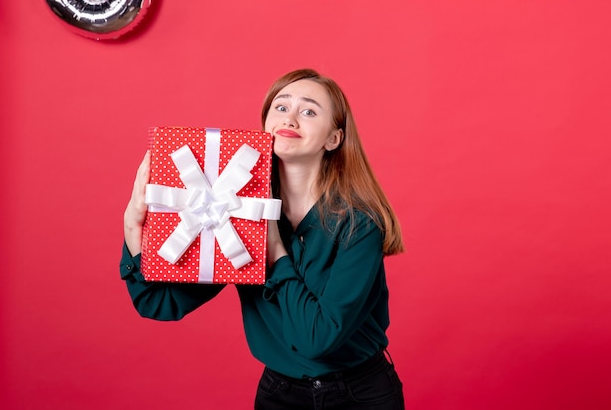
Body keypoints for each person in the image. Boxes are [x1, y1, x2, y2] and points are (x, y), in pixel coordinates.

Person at [121, 68, 406, 409]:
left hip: (361, 396)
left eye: (310, 111)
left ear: (334, 138)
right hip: (280, 396)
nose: (291, 118)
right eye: (281, 107)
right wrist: (133, 228)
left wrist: (274, 251)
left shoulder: (360, 222)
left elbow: (316, 339)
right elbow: (160, 303)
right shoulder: (238, 208)